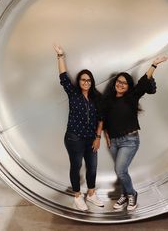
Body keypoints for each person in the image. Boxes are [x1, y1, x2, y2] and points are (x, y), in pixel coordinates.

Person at [103, 56, 167, 211]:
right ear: (115, 83)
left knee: (120, 170)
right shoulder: (108, 99)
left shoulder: (132, 97)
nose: (120, 84)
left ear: (128, 86)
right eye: (118, 82)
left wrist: (154, 65)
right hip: (113, 141)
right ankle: (124, 196)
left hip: (129, 141)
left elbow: (144, 82)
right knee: (121, 171)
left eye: (124, 83)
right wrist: (105, 136)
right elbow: (104, 119)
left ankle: (132, 194)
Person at [53, 44, 104, 211]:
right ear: (79, 81)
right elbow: (63, 77)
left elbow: (101, 119)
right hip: (74, 137)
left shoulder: (96, 97)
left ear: (92, 82)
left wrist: (98, 138)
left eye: (89, 80)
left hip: (91, 138)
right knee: (76, 166)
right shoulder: (73, 93)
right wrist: (60, 56)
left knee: (92, 166)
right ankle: (77, 196)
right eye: (83, 79)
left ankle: (91, 193)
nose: (86, 82)